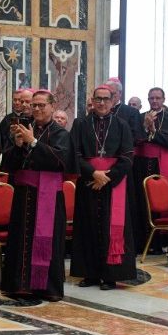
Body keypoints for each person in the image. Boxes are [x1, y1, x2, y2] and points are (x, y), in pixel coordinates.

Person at [0, 90, 74, 302]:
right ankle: (19, 286)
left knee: (47, 240)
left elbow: (60, 161)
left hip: (49, 196)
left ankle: (46, 287)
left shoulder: (61, 134)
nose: (37, 109)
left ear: (52, 106)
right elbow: (9, 164)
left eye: (42, 105)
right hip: (24, 194)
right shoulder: (22, 129)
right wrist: (17, 145)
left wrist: (33, 143)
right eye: (34, 105)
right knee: (21, 239)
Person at [69, 84, 136, 290]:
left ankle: (110, 276)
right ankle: (89, 274)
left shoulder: (122, 125)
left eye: (106, 99)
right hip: (89, 182)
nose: (102, 103)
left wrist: (107, 177)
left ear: (113, 100)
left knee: (111, 228)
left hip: (113, 185)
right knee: (87, 227)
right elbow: (74, 154)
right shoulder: (80, 124)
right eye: (98, 98)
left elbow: (127, 157)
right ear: (92, 99)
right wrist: (93, 173)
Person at [131, 87, 168, 254]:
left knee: (159, 204)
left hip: (161, 164)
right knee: (141, 201)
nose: (154, 101)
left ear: (164, 99)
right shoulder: (138, 118)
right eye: (151, 98)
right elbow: (133, 140)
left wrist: (154, 132)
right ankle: (142, 241)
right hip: (141, 164)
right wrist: (145, 128)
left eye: (158, 98)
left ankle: (159, 243)